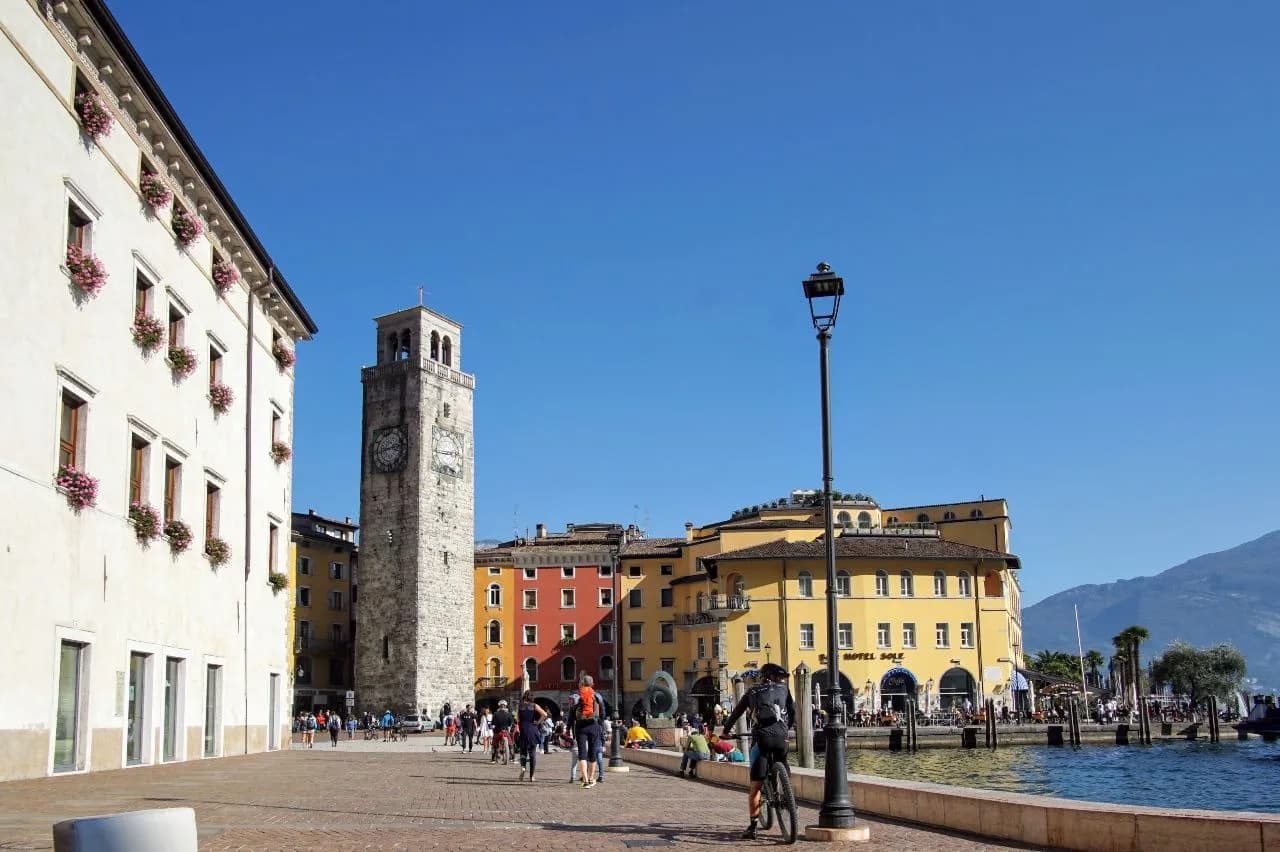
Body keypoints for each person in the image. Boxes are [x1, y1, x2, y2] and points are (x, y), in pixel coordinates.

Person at [721, 662, 796, 840]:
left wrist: (726, 732)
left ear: (763, 676)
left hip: (762, 738)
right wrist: (787, 728)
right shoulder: (785, 689)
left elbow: (736, 713)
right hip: (782, 737)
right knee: (783, 764)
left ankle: (753, 827)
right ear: (776, 677)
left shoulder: (752, 691)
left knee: (755, 787)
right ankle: (788, 796)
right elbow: (792, 712)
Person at [571, 673, 604, 788]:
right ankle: (591, 779)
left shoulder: (577, 695)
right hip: (593, 725)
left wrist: (569, 727)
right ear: (592, 683)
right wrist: (600, 725)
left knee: (582, 753)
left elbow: (571, 713)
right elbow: (603, 713)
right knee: (593, 752)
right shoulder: (596, 695)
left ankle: (584, 780)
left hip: (580, 726)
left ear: (582, 683)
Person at [516, 691, 549, 781]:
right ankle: (532, 776)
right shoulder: (534, 706)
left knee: (523, 752)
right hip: (532, 729)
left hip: (523, 729)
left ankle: (523, 767)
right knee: (532, 754)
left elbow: (518, 719)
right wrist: (538, 722)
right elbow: (545, 714)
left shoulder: (520, 706)